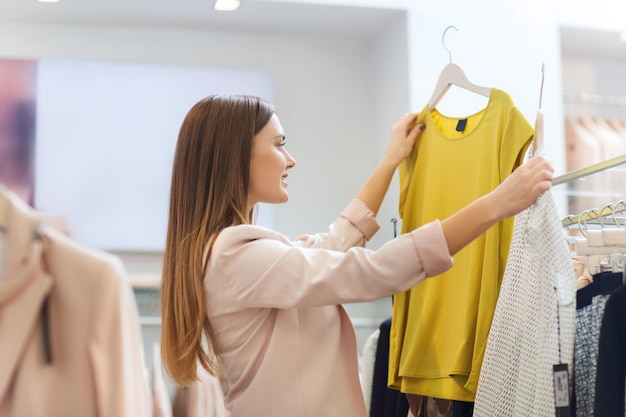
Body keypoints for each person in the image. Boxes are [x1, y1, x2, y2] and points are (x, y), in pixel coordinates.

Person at [160, 94, 554, 417]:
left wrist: (391, 161)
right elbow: (373, 271)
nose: (291, 159)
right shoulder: (237, 256)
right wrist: (497, 203)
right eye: (280, 145)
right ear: (235, 156)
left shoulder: (236, 253)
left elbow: (334, 243)